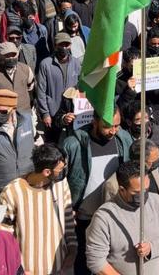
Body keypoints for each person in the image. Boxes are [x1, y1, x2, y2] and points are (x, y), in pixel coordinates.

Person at [59, 110, 127, 274]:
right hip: (84, 219)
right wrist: (68, 208)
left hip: (113, 217)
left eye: (117, 126)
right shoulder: (73, 145)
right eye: (108, 126)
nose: (113, 131)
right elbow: (59, 180)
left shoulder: (123, 141)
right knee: (84, 264)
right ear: (94, 122)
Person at [85, 161, 159, 275]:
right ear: (122, 190)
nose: (143, 195)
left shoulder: (156, 202)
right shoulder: (104, 217)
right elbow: (96, 261)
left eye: (146, 189)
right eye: (137, 192)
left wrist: (151, 247)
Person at [0, 144, 77, 274]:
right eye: (60, 170)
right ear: (47, 172)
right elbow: (5, 236)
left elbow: (68, 221)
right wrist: (16, 269)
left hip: (60, 268)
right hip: (27, 270)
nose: (63, 174)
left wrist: (72, 251)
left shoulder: (61, 185)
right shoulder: (12, 192)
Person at [37, 33, 81, 141]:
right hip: (53, 112)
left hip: (71, 113)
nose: (64, 47)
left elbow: (81, 86)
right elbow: (41, 91)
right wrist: (45, 114)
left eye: (67, 44)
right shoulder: (45, 64)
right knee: (52, 144)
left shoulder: (76, 63)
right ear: (56, 45)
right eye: (61, 45)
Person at [0, 42, 35, 112]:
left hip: (24, 111)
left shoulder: (26, 69)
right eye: (7, 55)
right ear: (0, 56)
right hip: (4, 113)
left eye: (13, 54)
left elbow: (30, 88)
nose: (11, 58)